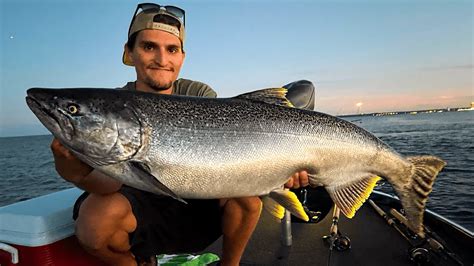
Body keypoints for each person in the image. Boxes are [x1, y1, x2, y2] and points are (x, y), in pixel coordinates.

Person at [50, 3, 312, 266]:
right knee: (94, 224)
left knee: (248, 200)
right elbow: (113, 183)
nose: (162, 60)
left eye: (171, 49)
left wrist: (281, 170)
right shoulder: (110, 108)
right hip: (142, 197)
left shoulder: (200, 95)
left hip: (198, 191)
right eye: (149, 46)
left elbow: (229, 155)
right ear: (129, 52)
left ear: (182, 57)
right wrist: (74, 171)